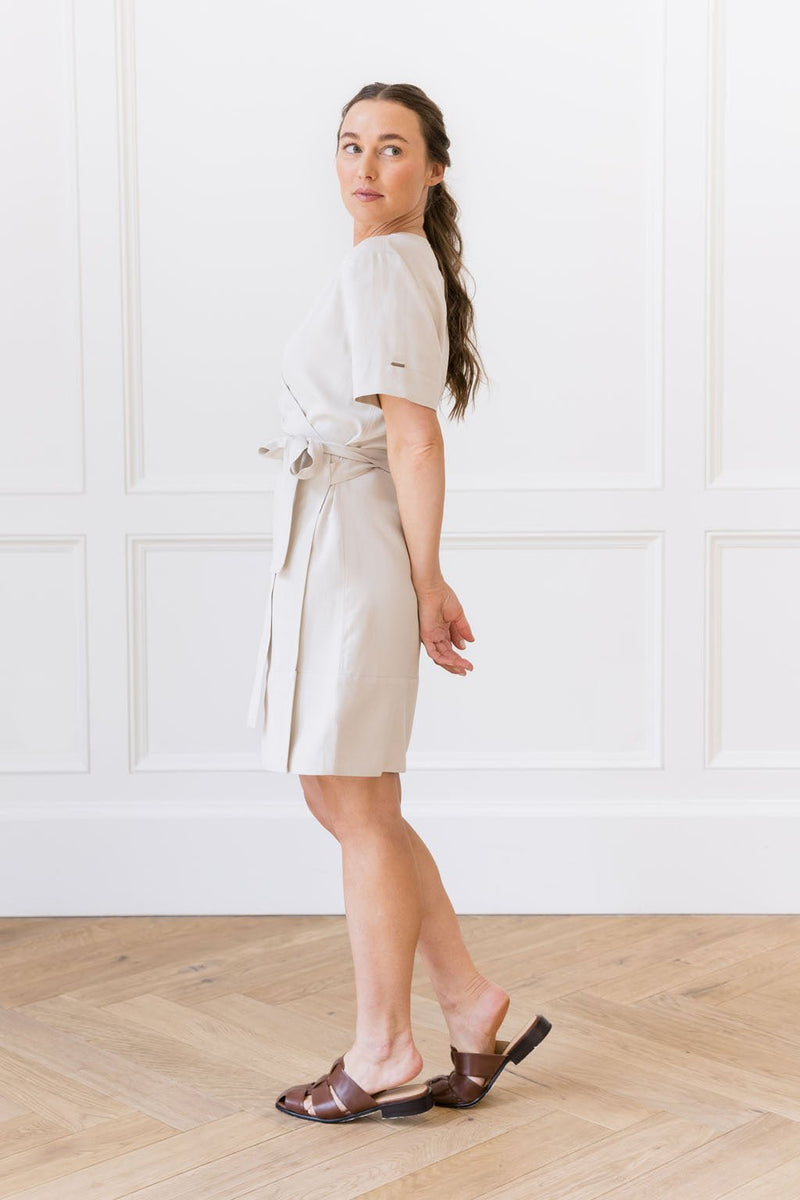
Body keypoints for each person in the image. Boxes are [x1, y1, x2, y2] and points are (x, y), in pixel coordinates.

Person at [247, 82, 551, 1123]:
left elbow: (415, 437)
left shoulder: (384, 264)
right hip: (343, 539)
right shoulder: (397, 261)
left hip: (354, 551)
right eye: (349, 145)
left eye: (390, 148)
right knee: (342, 795)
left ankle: (382, 1048)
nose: (365, 166)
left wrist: (426, 581)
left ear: (433, 168)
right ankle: (466, 997)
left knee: (357, 800)